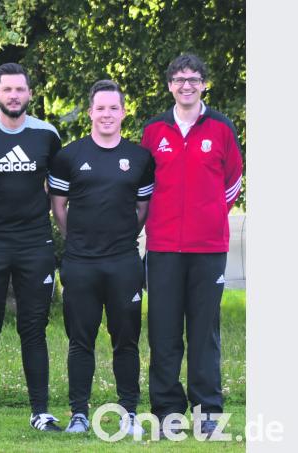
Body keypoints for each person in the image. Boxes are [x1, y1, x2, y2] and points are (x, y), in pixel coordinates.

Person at [141, 54, 243, 435]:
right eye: (180, 78)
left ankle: (207, 412)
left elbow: (233, 178)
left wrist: (212, 213)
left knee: (204, 333)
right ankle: (167, 412)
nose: (187, 84)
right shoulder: (154, 131)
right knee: (163, 333)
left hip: (208, 249)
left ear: (204, 84)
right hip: (164, 247)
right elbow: (144, 184)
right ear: (169, 84)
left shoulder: (220, 127)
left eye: (194, 79)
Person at [48, 80, 154, 435]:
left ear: (124, 112)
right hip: (80, 264)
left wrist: (120, 236)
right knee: (81, 341)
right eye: (100, 108)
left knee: (126, 340)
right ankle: (79, 414)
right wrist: (77, 239)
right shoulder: (69, 156)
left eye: (114, 108)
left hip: (124, 263)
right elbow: (59, 208)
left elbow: (142, 208)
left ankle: (129, 412)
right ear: (90, 112)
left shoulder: (140, 158)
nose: (107, 114)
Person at [0, 62, 63, 433]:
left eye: (20, 89)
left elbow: (56, 189)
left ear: (30, 94)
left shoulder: (47, 135)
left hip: (35, 243)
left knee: (34, 328)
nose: (14, 96)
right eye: (7, 90)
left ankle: (40, 412)